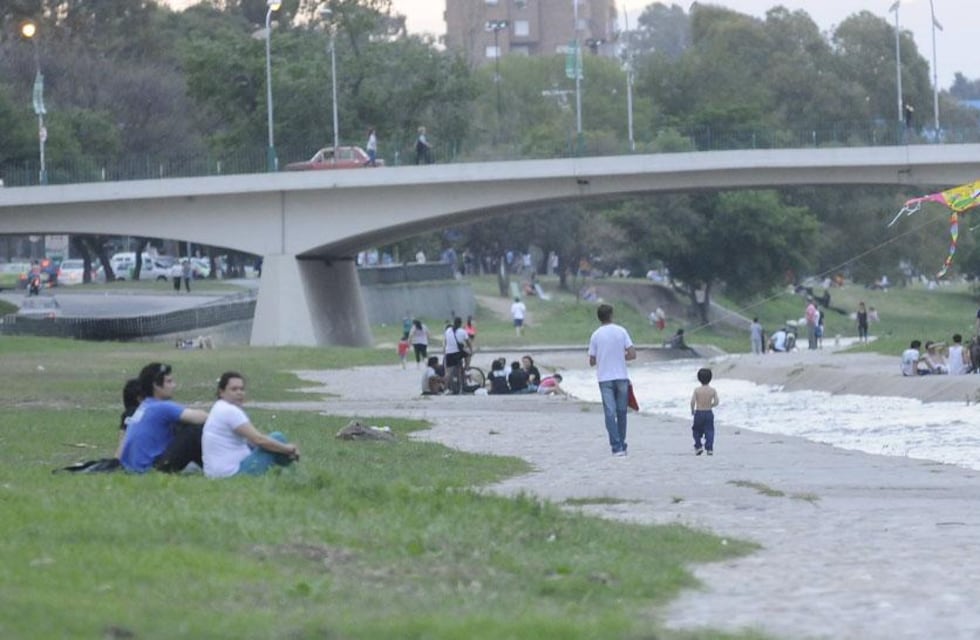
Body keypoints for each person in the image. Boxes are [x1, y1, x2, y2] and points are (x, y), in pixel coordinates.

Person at [201, 371, 300, 478]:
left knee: (273, 443)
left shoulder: (219, 407)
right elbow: (258, 440)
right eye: (234, 389)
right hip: (232, 473)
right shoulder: (230, 411)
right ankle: (291, 472)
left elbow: (252, 440)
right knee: (278, 437)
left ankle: (285, 471)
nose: (239, 393)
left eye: (242, 389)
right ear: (221, 392)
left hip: (214, 473)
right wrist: (288, 449)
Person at [118, 362, 209, 473]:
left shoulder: (145, 406)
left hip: (134, 467)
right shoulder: (161, 407)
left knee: (180, 424)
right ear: (156, 385)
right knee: (194, 432)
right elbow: (203, 418)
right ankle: (216, 466)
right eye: (169, 382)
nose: (174, 385)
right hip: (151, 468)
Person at [588, 303, 637, 457]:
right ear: (611, 315)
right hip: (621, 377)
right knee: (622, 412)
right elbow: (632, 354)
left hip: (604, 379)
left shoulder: (596, 335)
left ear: (599, 317)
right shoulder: (621, 331)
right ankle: (621, 443)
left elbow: (591, 360)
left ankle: (616, 446)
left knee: (610, 413)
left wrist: (603, 358)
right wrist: (622, 356)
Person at [690, 367, 720, 456]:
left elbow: (692, 402)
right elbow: (717, 402)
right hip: (708, 413)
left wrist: (692, 410)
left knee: (696, 430)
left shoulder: (697, 390)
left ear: (699, 378)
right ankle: (709, 448)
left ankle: (698, 446)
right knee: (710, 431)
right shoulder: (713, 390)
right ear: (710, 378)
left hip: (699, 412)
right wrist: (711, 405)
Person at [443, 316, 471, 394]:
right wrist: (471, 350)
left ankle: (445, 389)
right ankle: (467, 367)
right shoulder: (462, 331)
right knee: (468, 354)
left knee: (448, 373)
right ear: (460, 323)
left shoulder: (448, 330)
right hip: (457, 353)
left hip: (448, 353)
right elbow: (468, 343)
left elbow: (445, 342)